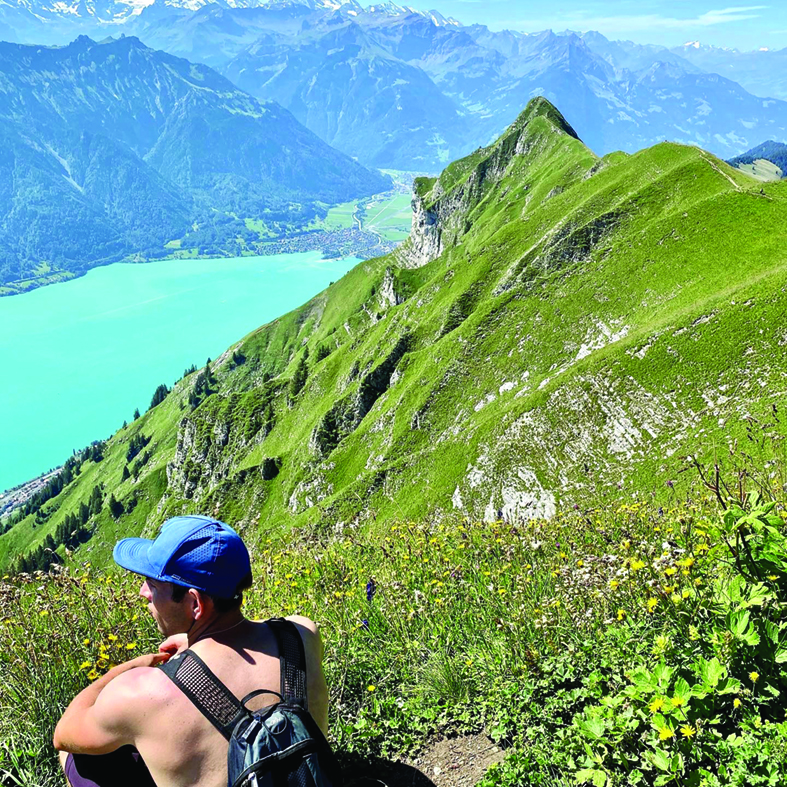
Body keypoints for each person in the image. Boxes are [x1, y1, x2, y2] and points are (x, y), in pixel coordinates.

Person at [54, 515, 329, 787]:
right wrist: (196, 642)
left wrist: (129, 668)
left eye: (152, 584)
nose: (143, 592)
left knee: (77, 758)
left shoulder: (142, 693)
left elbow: (63, 733)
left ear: (194, 603)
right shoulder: (303, 634)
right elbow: (252, 630)